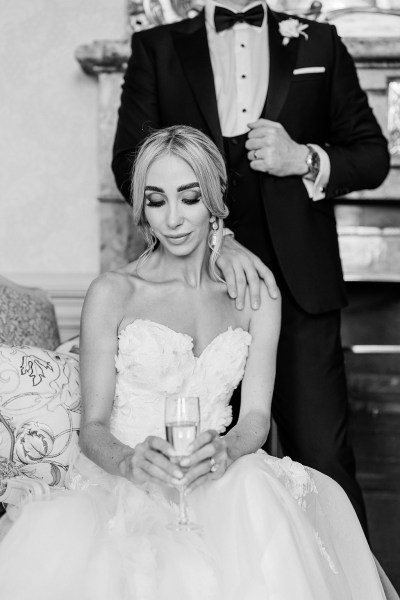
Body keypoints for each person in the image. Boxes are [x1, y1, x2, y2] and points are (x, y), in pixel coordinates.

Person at [0, 126, 397, 600]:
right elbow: (92, 427)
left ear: (214, 199)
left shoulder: (256, 296)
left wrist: (228, 451)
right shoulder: (113, 293)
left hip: (220, 475)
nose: (173, 219)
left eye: (189, 198)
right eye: (156, 201)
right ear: (141, 209)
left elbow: (254, 417)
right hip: (128, 482)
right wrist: (130, 461)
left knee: (253, 490)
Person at [111, 0, 391, 534]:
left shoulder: (319, 42)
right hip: (194, 293)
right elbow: (130, 160)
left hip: (301, 287)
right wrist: (216, 237)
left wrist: (304, 158)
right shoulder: (160, 46)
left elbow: (373, 155)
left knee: (324, 461)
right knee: (204, 461)